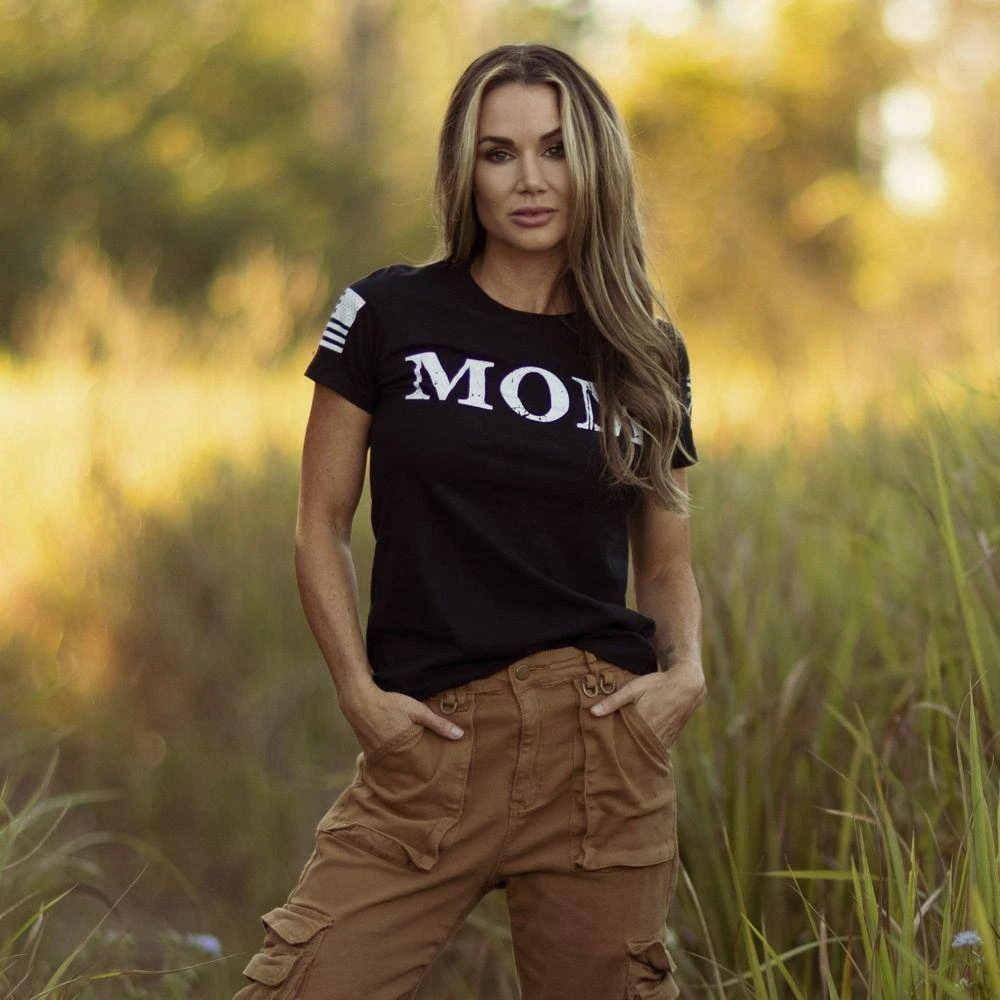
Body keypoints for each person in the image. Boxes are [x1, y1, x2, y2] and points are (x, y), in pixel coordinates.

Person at [234, 41, 706, 1000]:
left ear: (594, 163)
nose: (530, 179)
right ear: (466, 169)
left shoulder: (645, 350)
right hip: (431, 746)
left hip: (600, 752)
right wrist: (358, 694)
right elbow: (320, 522)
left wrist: (686, 672)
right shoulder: (386, 312)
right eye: (499, 152)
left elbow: (662, 566)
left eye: (555, 149)